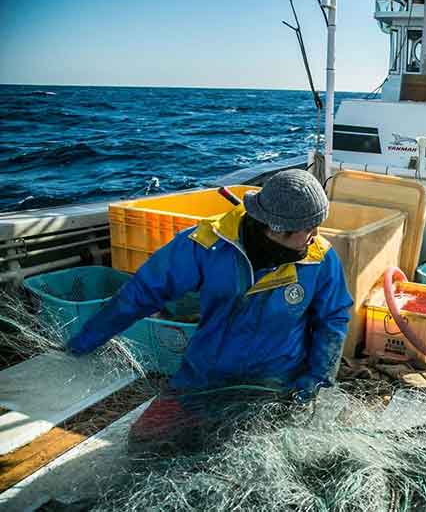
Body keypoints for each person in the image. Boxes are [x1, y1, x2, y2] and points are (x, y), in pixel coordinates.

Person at [67, 169, 353, 451]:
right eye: (309, 228)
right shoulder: (206, 243)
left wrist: (315, 381)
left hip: (276, 384)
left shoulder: (320, 259)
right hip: (204, 377)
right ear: (276, 228)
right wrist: (86, 341)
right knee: (143, 445)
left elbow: (334, 317)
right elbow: (141, 293)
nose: (316, 235)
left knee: (238, 455)